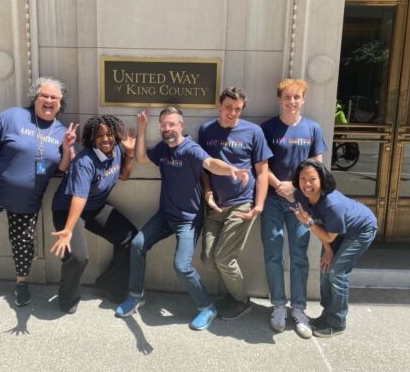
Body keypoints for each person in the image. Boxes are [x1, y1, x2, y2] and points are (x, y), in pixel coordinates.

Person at [115, 106, 250, 331]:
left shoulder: (191, 149)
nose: (167, 128)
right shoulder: (162, 149)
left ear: (181, 125)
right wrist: (141, 127)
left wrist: (230, 170)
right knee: (137, 245)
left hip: (188, 220)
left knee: (181, 266)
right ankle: (136, 295)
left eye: (171, 124)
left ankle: (207, 307)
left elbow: (209, 163)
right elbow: (140, 157)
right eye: (163, 124)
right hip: (165, 215)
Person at [0, 77, 77, 307]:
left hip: (27, 200)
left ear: (60, 103)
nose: (49, 100)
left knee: (23, 243)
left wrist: (67, 148)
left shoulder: (62, 130)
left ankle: (21, 284)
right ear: (35, 97)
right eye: (45, 95)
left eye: (55, 97)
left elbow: (62, 168)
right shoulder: (13, 116)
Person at [260, 78, 328, 339]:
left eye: (296, 97)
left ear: (303, 99)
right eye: (287, 97)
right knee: (273, 252)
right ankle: (278, 305)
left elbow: (317, 170)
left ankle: (298, 309)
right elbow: (262, 166)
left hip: (302, 201)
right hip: (274, 200)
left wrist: (296, 189)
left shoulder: (312, 128)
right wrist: (281, 186)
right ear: (279, 99)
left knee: (299, 255)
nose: (291, 102)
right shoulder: (267, 128)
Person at [198, 86, 272, 320]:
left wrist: (258, 205)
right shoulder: (206, 130)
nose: (232, 113)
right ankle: (232, 293)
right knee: (209, 258)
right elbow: (204, 166)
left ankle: (241, 301)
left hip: (242, 203)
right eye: (228, 107)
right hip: (217, 205)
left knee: (224, 258)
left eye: (238, 109)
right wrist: (208, 191)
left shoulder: (254, 132)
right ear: (219, 105)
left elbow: (262, 171)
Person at [50, 115, 137, 313]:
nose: (106, 139)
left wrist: (129, 152)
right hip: (68, 210)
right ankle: (67, 299)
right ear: (91, 138)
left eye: (109, 134)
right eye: (99, 135)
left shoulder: (115, 150)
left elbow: (123, 175)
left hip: (95, 207)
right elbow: (78, 198)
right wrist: (68, 230)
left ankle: (109, 284)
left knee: (130, 238)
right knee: (78, 256)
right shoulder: (84, 162)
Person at [290, 159, 377, 338]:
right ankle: (327, 315)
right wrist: (328, 251)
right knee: (325, 269)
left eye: (312, 179)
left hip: (361, 230)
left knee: (337, 273)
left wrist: (308, 223)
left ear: (322, 180)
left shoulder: (332, 204)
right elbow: (322, 228)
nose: (306, 184)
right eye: (302, 178)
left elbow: (325, 232)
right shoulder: (301, 196)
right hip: (335, 231)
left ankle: (337, 322)